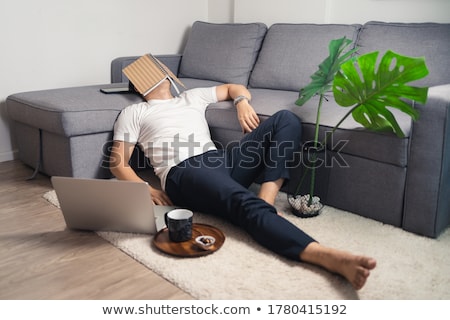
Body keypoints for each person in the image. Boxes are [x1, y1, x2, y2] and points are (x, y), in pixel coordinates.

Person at [110, 78, 376, 290]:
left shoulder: (191, 96)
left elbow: (233, 88)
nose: (155, 77)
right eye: (146, 75)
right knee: (240, 202)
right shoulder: (134, 112)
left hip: (221, 159)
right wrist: (147, 188)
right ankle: (323, 254)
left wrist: (241, 102)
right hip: (185, 170)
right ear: (138, 85)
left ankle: (266, 199)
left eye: (157, 71)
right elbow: (118, 163)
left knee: (286, 119)